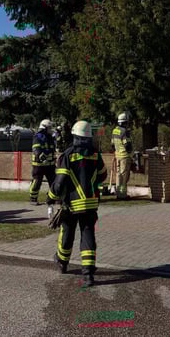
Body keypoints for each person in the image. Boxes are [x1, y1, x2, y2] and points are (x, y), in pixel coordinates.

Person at [48, 120, 107, 287]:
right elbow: (103, 175)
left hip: (72, 205)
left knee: (67, 232)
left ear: (75, 135)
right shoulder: (96, 154)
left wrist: (50, 197)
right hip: (90, 204)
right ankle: (88, 274)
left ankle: (62, 262)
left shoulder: (67, 155)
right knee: (88, 235)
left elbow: (59, 184)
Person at [30, 120, 57, 206]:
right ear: (45, 127)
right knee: (37, 181)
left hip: (50, 165)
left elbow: (52, 150)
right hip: (39, 165)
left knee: (54, 181)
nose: (50, 129)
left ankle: (52, 198)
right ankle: (33, 198)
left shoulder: (50, 137)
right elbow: (36, 150)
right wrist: (42, 158)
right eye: (49, 127)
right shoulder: (38, 136)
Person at [111, 113, 133, 200]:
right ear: (125, 122)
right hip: (124, 156)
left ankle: (119, 194)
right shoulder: (124, 132)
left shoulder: (114, 131)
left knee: (118, 175)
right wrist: (130, 152)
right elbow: (127, 145)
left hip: (118, 156)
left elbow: (112, 145)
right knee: (124, 177)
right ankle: (122, 195)